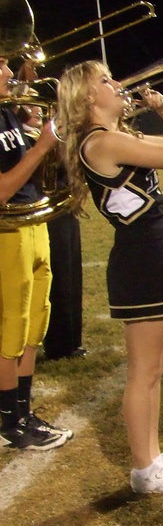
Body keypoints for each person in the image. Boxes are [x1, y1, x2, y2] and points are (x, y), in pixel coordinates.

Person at [56, 61, 163, 492]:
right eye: (107, 80)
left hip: (152, 250)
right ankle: (144, 468)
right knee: (143, 371)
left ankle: (152, 457)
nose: (118, 83)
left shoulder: (116, 137)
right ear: (89, 97)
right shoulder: (103, 142)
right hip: (141, 255)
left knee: (154, 369)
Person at [0, 53, 72, 449]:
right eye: (1, 66)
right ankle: (10, 420)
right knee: (10, 329)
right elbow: (2, 189)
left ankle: (23, 411)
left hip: (32, 222)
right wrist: (42, 145)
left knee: (34, 324)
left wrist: (33, 125)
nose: (10, 73)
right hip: (6, 230)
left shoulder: (6, 111)